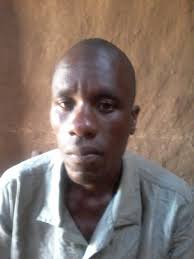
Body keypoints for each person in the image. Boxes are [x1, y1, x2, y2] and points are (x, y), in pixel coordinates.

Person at [0, 38, 193, 259]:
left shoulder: (175, 206)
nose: (80, 126)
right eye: (65, 104)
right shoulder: (14, 191)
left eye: (105, 106)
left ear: (133, 119)